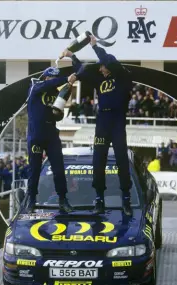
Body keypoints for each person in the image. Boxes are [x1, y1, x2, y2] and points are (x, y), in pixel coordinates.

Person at [61, 35, 134, 216]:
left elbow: (109, 60)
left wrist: (94, 46)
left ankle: (126, 199)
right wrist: (72, 56)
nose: (100, 68)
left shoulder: (123, 76)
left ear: (109, 66)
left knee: (121, 160)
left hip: (117, 120)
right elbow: (82, 72)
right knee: (98, 160)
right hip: (102, 121)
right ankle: (99, 199)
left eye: (102, 66)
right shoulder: (99, 80)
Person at [25, 66, 76, 213]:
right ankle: (31, 200)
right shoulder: (36, 87)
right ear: (46, 78)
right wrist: (66, 79)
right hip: (36, 135)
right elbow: (47, 85)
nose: (54, 81)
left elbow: (58, 115)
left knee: (59, 169)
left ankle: (63, 199)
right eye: (52, 78)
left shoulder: (56, 93)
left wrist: (59, 112)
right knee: (34, 169)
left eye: (56, 78)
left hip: (51, 134)